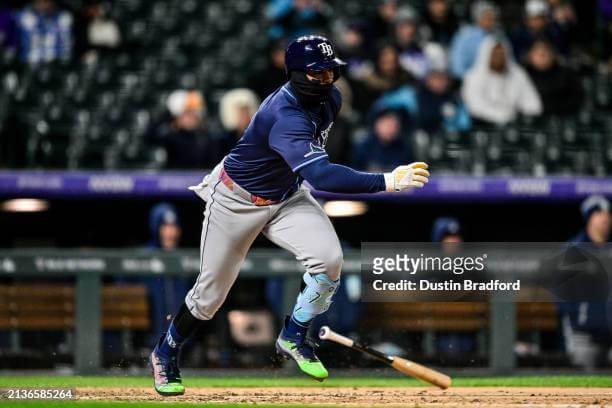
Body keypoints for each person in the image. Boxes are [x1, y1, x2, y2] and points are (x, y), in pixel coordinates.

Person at [148, 35, 431, 395]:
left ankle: (294, 335)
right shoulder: (284, 114)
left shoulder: (332, 99)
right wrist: (387, 181)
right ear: (296, 74)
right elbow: (323, 175)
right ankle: (165, 351)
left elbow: (310, 168)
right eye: (319, 74)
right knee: (210, 295)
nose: (328, 79)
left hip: (285, 195)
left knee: (329, 260)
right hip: (237, 200)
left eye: (332, 72)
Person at [560, 195, 612, 370]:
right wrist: (577, 318)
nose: (604, 217)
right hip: (584, 333)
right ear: (589, 217)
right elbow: (561, 291)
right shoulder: (574, 249)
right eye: (598, 212)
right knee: (585, 381)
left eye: (607, 213)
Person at [462, 37, 542, 126]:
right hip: (483, 125)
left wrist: (527, 116)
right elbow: (475, 106)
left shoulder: (517, 74)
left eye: (502, 54)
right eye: (495, 54)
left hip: (514, 124)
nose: (499, 57)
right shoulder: (474, 76)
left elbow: (532, 102)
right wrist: (501, 115)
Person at [146, 90, 219, 169]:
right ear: (178, 117)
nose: (191, 118)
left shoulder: (206, 137)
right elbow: (150, 138)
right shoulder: (170, 136)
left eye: (194, 115)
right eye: (187, 114)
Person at [524, 40, 582, 117]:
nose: (542, 56)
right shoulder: (522, 75)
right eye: (538, 53)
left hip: (563, 118)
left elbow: (576, 98)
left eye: (545, 53)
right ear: (530, 56)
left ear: (553, 54)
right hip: (529, 120)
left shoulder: (566, 73)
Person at [449, 1, 500, 79]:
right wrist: (470, 80)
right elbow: (457, 65)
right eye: (487, 17)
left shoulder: (499, 35)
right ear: (478, 18)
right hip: (470, 80)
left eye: (493, 18)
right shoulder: (465, 35)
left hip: (495, 80)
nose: (491, 21)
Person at [15, 0, 73, 64]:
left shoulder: (62, 17)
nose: (42, 4)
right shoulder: (23, 16)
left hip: (55, 63)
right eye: (40, 1)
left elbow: (65, 44)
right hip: (28, 63)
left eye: (45, 1)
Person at [218, 88, 260, 156]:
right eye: (241, 111)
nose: (245, 115)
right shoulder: (222, 143)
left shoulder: (262, 138)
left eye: (247, 110)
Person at [394, 7, 428, 80]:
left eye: (411, 25)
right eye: (403, 26)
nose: (409, 31)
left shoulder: (429, 50)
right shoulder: (390, 52)